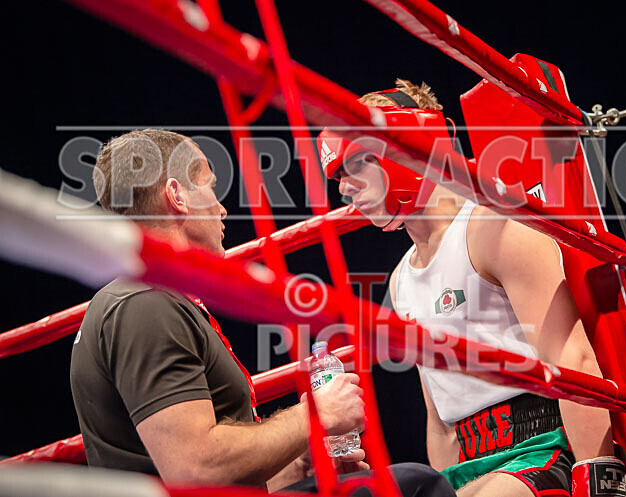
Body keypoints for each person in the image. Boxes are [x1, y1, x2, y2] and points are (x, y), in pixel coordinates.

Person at [70, 129, 455, 497]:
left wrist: (299, 463)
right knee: (417, 486)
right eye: (210, 186)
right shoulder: (144, 304)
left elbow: (214, 479)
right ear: (177, 195)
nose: (221, 209)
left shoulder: (153, 299)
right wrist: (315, 416)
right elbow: (194, 470)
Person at [317, 80, 626, 497]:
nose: (343, 187)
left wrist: (599, 481)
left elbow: (572, 357)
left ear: (407, 144)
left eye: (356, 163)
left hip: (544, 448)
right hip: (470, 464)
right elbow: (439, 416)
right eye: (337, 174)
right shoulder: (400, 280)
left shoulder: (493, 226)